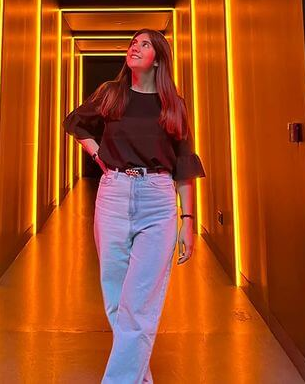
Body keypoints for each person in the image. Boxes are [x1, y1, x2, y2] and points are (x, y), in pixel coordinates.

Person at [62, 28, 206, 384]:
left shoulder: (174, 105)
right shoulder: (111, 95)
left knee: (140, 300)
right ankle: (139, 376)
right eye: (133, 43)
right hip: (114, 194)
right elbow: (75, 123)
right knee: (116, 296)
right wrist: (98, 153)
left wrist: (188, 220)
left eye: (144, 44)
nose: (135, 47)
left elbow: (183, 162)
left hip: (157, 201)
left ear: (158, 57)